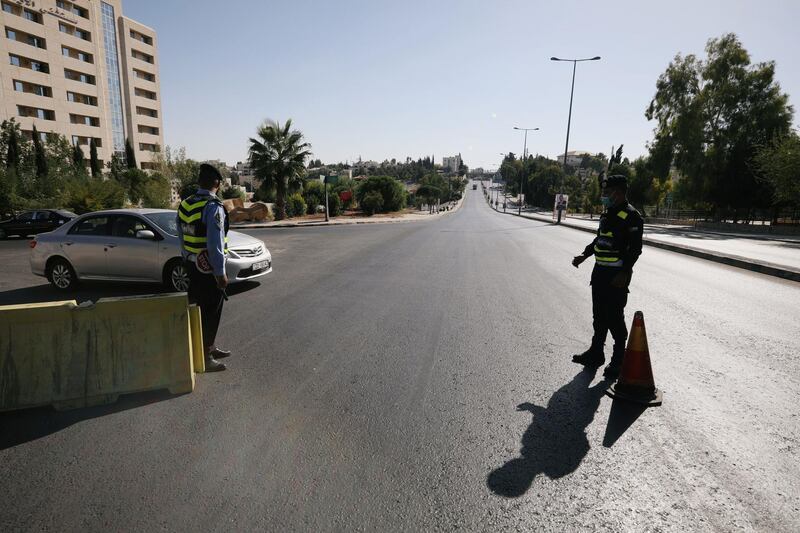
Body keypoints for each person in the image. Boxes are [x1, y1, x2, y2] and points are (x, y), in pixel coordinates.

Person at [571, 174, 643, 378]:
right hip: (600, 274)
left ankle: (619, 360)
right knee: (599, 316)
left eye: (607, 192)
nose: (604, 195)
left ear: (618, 193)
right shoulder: (608, 214)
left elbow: (635, 249)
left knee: (615, 319)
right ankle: (596, 353)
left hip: (616, 276)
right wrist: (584, 255)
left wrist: (624, 272)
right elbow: (600, 239)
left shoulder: (632, 216)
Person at [177, 164, 232, 372]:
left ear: (200, 182)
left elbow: (181, 236)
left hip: (191, 266)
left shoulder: (185, 205)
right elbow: (215, 243)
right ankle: (206, 356)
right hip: (208, 270)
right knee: (211, 311)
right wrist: (220, 273)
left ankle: (209, 346)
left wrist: (187, 258)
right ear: (216, 184)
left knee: (199, 309)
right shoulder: (213, 207)